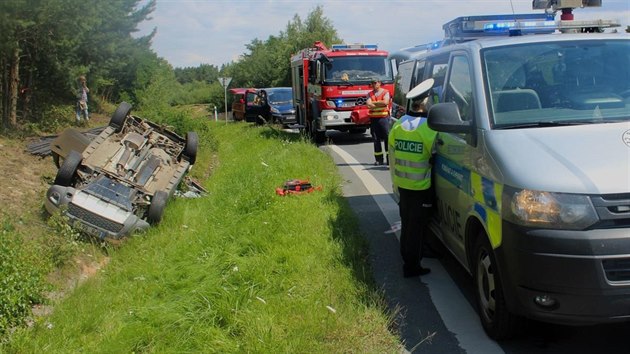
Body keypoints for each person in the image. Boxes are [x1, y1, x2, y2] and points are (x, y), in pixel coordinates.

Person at [388, 90, 437, 278]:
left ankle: (405, 256)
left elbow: (392, 150)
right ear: (425, 102)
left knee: (407, 223)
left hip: (403, 184)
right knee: (417, 227)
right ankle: (412, 266)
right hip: (420, 186)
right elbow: (435, 154)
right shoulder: (429, 128)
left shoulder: (399, 124)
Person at [366, 78, 391, 165]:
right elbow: (368, 104)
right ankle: (379, 159)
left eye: (375, 83)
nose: (373, 84)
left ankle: (389, 159)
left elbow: (385, 102)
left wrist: (374, 103)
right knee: (376, 139)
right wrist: (379, 103)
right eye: (372, 83)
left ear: (379, 83)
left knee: (387, 138)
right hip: (374, 119)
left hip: (384, 118)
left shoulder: (385, 92)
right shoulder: (369, 94)